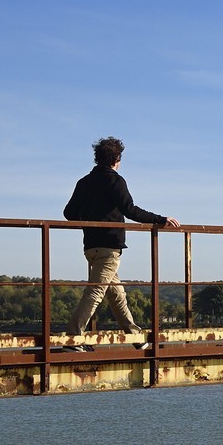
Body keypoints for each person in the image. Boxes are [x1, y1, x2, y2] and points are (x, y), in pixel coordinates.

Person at [64, 136, 178, 341]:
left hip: (90, 246)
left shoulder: (84, 182)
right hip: (109, 247)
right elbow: (130, 210)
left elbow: (69, 213)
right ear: (117, 158)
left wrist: (91, 219)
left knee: (116, 294)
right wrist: (161, 219)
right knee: (96, 292)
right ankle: (73, 337)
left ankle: (134, 336)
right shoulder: (115, 180)